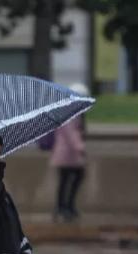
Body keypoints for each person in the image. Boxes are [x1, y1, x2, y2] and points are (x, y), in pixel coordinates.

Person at [51, 83, 89, 222]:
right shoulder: (70, 112)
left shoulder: (70, 110)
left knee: (67, 179)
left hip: (69, 153)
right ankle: (63, 207)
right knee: (68, 179)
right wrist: (80, 147)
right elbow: (70, 133)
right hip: (67, 153)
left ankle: (66, 206)